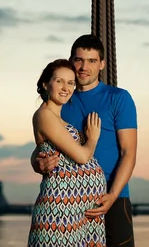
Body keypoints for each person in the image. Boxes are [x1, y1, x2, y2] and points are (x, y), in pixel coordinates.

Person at [31, 35, 138, 247]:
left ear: (102, 64)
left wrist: (113, 194)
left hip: (112, 197)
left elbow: (129, 152)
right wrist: (37, 162)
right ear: (71, 61)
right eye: (79, 60)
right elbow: (43, 143)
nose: (84, 67)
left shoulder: (118, 97)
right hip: (72, 204)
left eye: (91, 61)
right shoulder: (61, 100)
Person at [27, 59, 107, 247]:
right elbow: (81, 156)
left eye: (71, 82)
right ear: (46, 84)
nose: (66, 87)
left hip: (82, 214)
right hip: (60, 213)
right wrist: (93, 138)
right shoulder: (44, 115)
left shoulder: (59, 119)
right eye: (59, 81)